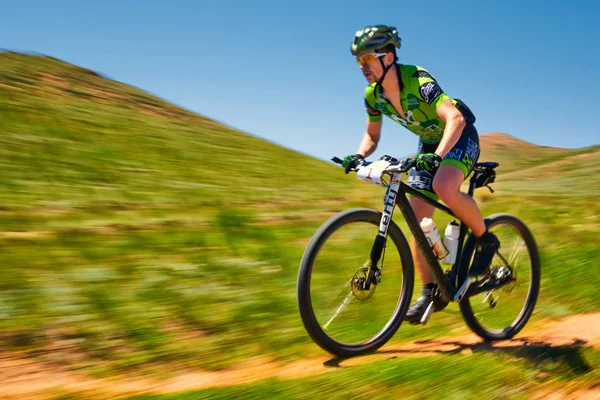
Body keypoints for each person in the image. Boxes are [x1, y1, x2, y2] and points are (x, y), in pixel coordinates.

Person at [342, 25, 500, 323]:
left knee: (443, 185)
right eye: (358, 61)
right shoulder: (372, 96)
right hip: (429, 145)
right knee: (418, 218)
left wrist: (438, 156)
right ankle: (430, 291)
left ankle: (486, 240)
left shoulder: (417, 79)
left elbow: (454, 117)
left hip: (459, 137)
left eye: (367, 59)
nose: (362, 66)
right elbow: (372, 136)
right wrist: (360, 155)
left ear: (388, 57)